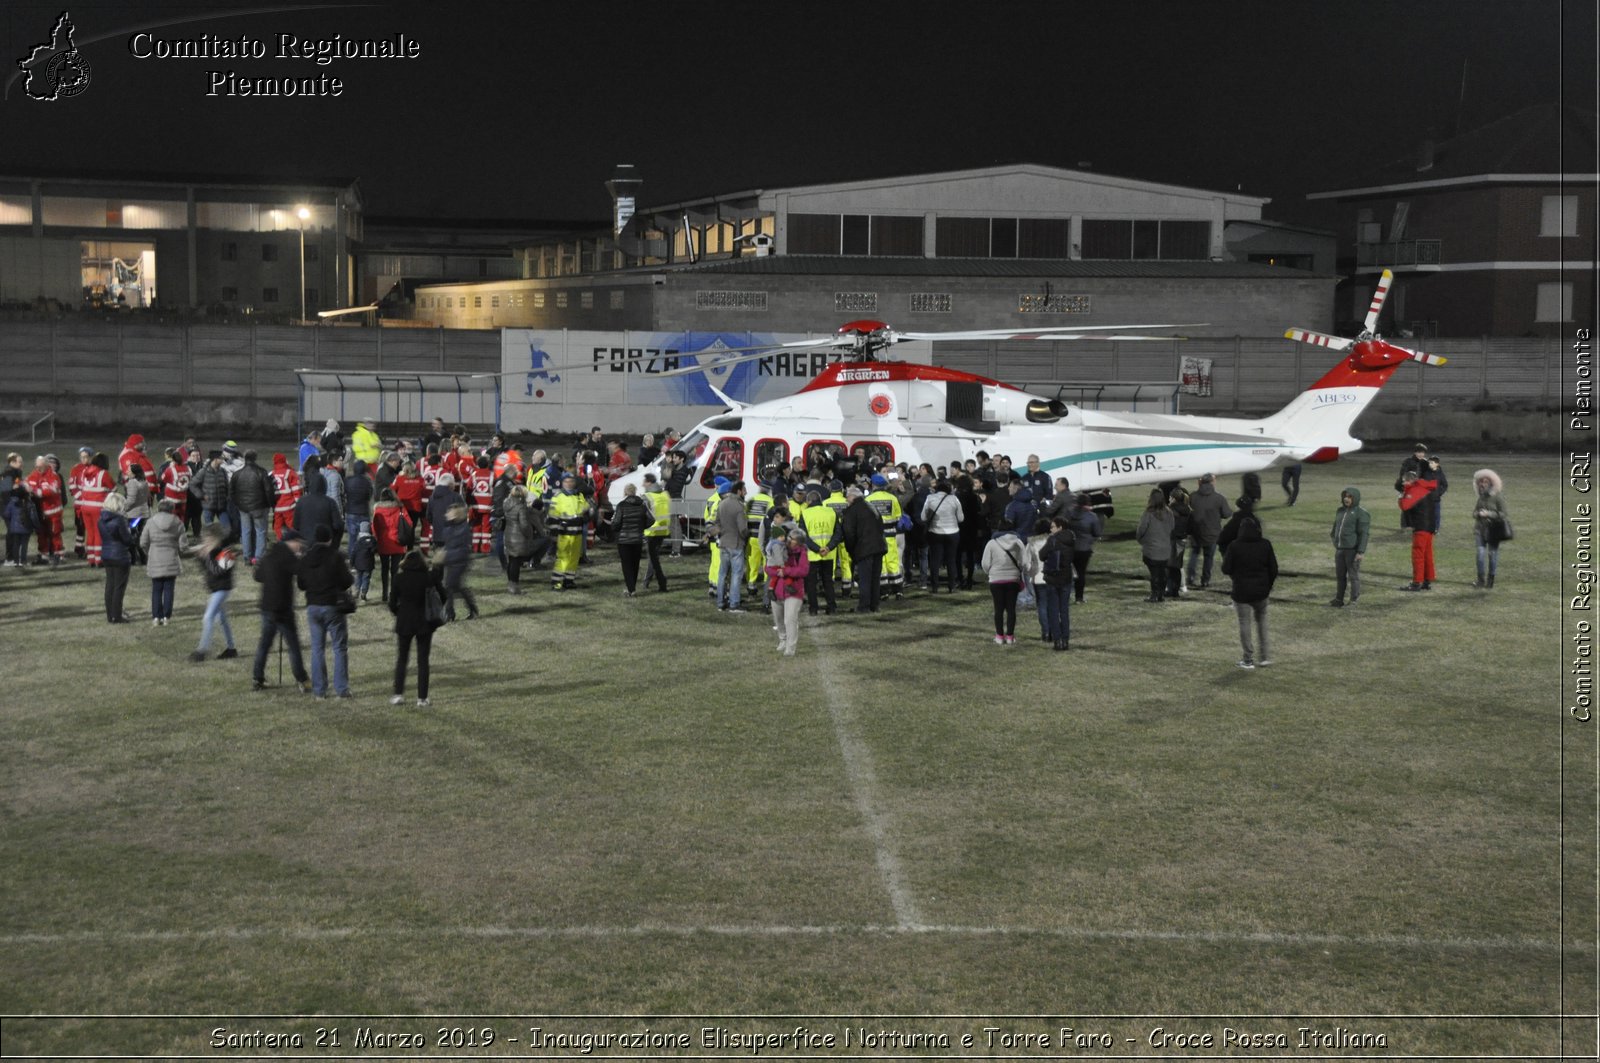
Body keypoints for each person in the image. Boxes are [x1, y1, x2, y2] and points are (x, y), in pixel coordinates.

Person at [297, 524, 356, 699]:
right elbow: (347, 581)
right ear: (329, 539)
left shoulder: (306, 558)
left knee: (317, 649)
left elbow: (301, 584)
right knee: (339, 647)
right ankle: (341, 688)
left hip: (313, 606)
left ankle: (319, 690)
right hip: (332, 605)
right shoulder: (335, 556)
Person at [252, 528, 311, 693]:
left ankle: (257, 677)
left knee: (264, 644)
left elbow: (257, 576)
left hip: (266, 606)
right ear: (291, 542)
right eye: (299, 543)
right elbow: (301, 571)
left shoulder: (269, 554)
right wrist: (301, 558)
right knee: (293, 645)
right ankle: (302, 679)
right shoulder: (288, 556)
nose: (300, 547)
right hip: (282, 608)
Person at [389, 548, 445, 707]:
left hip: (404, 621)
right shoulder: (427, 578)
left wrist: (399, 613)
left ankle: (398, 694)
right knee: (423, 661)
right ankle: (422, 698)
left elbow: (392, 603)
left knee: (402, 659)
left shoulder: (399, 578)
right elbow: (443, 594)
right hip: (424, 623)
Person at [1222, 517, 1278, 669]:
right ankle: (1264, 657)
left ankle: (1248, 659)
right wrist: (1268, 586)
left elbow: (1225, 568)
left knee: (1245, 624)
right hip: (1261, 592)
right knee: (1262, 623)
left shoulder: (1235, 546)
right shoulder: (1265, 544)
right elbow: (1274, 568)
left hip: (1241, 592)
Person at [980, 522, 1035, 645]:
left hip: (996, 579)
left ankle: (999, 636)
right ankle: (1010, 636)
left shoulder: (992, 543)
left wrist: (991, 572)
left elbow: (985, 563)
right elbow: (1025, 563)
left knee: (998, 609)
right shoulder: (1018, 542)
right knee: (1011, 609)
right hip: (1013, 579)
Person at [191, 524, 241, 661]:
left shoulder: (228, 553)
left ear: (217, 539)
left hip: (222, 588)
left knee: (208, 617)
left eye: (208, 540)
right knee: (222, 619)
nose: (205, 543)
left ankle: (202, 650)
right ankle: (231, 649)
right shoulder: (213, 552)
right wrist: (201, 558)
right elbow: (207, 570)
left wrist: (207, 556)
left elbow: (217, 571)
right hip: (215, 588)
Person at [139, 498, 188, 626]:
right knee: (169, 589)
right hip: (171, 558)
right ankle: (166, 616)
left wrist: (148, 552)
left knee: (156, 589)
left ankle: (156, 616)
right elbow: (183, 545)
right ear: (172, 509)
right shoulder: (178, 523)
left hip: (155, 557)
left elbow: (143, 542)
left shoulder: (150, 522)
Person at [840, 485, 887, 614]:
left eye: (847, 497)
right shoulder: (872, 507)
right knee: (875, 578)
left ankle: (864, 606)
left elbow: (849, 533)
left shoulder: (851, 511)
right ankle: (874, 605)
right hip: (879, 547)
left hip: (864, 548)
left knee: (865, 579)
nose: (845, 500)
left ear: (852, 497)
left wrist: (852, 550)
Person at [767, 525, 811, 656]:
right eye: (789, 537)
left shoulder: (802, 553)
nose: (788, 540)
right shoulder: (779, 547)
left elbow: (803, 570)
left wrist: (785, 571)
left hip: (794, 591)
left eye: (792, 539)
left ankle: (790, 648)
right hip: (777, 589)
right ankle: (782, 640)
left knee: (790, 619)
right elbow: (767, 567)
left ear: (799, 542)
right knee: (778, 619)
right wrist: (777, 571)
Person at [230, 450, 275, 564]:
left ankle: (247, 556)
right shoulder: (261, 472)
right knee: (260, 531)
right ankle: (259, 557)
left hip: (243, 507)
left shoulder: (237, 474)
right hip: (259, 507)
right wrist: (270, 504)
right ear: (255, 458)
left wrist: (238, 504)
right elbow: (268, 490)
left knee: (246, 531)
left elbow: (232, 492)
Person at [799, 489, 840, 616]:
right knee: (828, 581)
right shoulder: (831, 512)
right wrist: (828, 547)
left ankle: (813, 608)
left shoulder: (805, 514)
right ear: (820, 501)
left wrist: (817, 549)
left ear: (809, 501)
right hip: (829, 553)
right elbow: (838, 533)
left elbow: (803, 536)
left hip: (812, 555)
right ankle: (832, 607)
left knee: (811, 583)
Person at [1186, 473, 1231, 589]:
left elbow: (1187, 513)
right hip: (1212, 533)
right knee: (1208, 557)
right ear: (1212, 482)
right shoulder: (1219, 498)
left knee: (1194, 554)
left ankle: (1190, 577)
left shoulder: (1192, 496)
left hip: (1195, 532)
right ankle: (1205, 580)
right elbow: (1227, 514)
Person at [1398, 469, 1440, 591]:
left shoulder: (1415, 490)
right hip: (1429, 526)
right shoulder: (1424, 488)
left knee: (1418, 554)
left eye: (1404, 481)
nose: (1403, 484)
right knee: (1427, 554)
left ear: (1410, 480)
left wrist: (1401, 496)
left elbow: (1404, 505)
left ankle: (1417, 582)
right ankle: (1427, 580)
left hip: (1421, 527)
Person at [547, 472, 589, 591]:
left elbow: (585, 509)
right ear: (562, 482)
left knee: (574, 558)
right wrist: (554, 534)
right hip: (564, 533)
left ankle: (569, 580)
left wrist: (587, 514)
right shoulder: (558, 497)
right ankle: (556, 582)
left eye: (571, 481)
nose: (569, 484)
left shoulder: (578, 495)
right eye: (566, 481)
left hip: (577, 532)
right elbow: (553, 516)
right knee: (563, 558)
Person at [501, 486, 547, 594]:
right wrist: (529, 535)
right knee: (516, 562)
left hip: (508, 535)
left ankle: (510, 583)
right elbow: (524, 525)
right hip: (518, 537)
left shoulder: (507, 504)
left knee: (512, 561)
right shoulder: (521, 507)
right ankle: (514, 586)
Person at [1330, 486, 1370, 607]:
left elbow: (1364, 534)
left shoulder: (1362, 513)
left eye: (1349, 497)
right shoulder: (1340, 511)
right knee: (1340, 576)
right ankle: (1339, 599)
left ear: (1355, 498)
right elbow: (1334, 530)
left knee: (1353, 576)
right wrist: (1336, 543)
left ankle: (1353, 600)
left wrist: (1360, 551)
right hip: (1340, 550)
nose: (1346, 499)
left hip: (1352, 551)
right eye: (1345, 496)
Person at [610, 482, 652, 597]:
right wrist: (641, 526)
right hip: (637, 539)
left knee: (626, 565)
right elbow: (651, 519)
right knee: (635, 564)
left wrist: (613, 525)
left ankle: (631, 589)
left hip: (624, 540)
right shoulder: (642, 505)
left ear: (625, 492)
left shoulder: (621, 505)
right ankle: (632, 587)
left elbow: (617, 523)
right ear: (635, 492)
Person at [438, 502, 479, 619]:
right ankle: (472, 609)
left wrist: (445, 555)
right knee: (456, 586)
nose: (446, 514)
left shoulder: (463, 528)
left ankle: (450, 613)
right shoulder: (450, 526)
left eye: (449, 512)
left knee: (449, 586)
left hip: (459, 561)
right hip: (451, 560)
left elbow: (457, 544)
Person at [370, 487, 411, 603]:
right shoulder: (400, 508)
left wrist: (377, 538)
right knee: (395, 570)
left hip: (384, 542)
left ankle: (384, 594)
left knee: (384, 569)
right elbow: (409, 523)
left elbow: (374, 527)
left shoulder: (378, 509)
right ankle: (394, 593)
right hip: (398, 543)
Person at [921, 478, 962, 592]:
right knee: (951, 560)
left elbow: (923, 517)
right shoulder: (954, 499)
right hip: (953, 532)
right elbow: (961, 518)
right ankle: (952, 586)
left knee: (935, 560)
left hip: (935, 532)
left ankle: (935, 587)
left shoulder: (930, 498)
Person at [99, 492, 135, 622]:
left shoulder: (101, 519)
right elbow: (127, 540)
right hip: (120, 555)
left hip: (106, 554)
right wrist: (131, 533)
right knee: (119, 587)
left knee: (110, 585)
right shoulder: (120, 520)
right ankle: (117, 615)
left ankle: (110, 615)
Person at [1396, 444, 1447, 533]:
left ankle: (1418, 526)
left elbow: (1433, 473)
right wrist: (1403, 487)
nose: (1421, 454)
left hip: (1419, 490)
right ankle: (1405, 526)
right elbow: (1403, 475)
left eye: (1423, 452)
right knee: (1407, 508)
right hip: (1409, 488)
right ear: (1415, 452)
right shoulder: (1408, 462)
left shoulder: (1426, 463)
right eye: (1419, 452)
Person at [1135, 488, 1174, 603]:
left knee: (1155, 573)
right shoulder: (1169, 513)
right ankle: (1160, 594)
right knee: (1161, 572)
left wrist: (1142, 540)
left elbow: (1141, 530)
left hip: (1151, 549)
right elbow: (1172, 528)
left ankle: (1155, 595)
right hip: (1165, 549)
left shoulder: (1148, 514)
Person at [716, 480, 750, 612]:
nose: (746, 492)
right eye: (744, 490)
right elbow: (742, 529)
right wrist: (747, 535)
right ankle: (734, 604)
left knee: (722, 574)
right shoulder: (739, 507)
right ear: (739, 491)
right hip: (736, 544)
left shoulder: (722, 503)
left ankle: (720, 602)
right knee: (736, 574)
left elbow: (717, 523)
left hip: (723, 543)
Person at [1472, 469, 1509, 589]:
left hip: (1493, 531)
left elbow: (1503, 514)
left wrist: (1489, 514)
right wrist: (1477, 513)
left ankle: (1490, 580)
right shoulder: (1480, 497)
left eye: (1486, 482)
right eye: (1481, 482)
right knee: (1480, 554)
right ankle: (1480, 580)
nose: (1483, 484)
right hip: (1480, 530)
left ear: (1491, 484)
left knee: (1492, 554)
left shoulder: (1498, 497)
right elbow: (1474, 512)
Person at [26, 454, 64, 565]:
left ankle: (59, 555)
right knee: (41, 534)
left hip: (53, 511)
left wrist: (35, 491)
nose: (38, 469)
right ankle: (44, 555)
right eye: (37, 466)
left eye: (40, 467)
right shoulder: (35, 474)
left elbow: (51, 491)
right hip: (40, 511)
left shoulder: (53, 476)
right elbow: (27, 483)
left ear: (46, 465)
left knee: (54, 533)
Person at [641, 473, 670, 593]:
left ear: (649, 482)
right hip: (664, 529)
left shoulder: (646, 496)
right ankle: (647, 581)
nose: (642, 484)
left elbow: (642, 515)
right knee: (654, 557)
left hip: (651, 531)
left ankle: (662, 581)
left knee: (654, 559)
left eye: (644, 482)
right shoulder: (665, 494)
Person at [1166, 485, 1193, 599]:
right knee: (1177, 566)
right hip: (1182, 539)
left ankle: (1169, 588)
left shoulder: (1171, 510)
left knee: (1168, 566)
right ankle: (1176, 589)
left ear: (1173, 498)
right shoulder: (1188, 510)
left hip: (1172, 539)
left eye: (1170, 497)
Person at [269, 453, 302, 540]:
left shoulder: (271, 473)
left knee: (277, 527)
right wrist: (298, 502)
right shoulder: (290, 472)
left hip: (277, 506)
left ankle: (281, 542)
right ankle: (294, 542)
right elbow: (296, 489)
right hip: (289, 505)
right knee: (292, 526)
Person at [351, 520, 377, 602]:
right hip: (368, 565)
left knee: (358, 578)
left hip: (358, 565)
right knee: (366, 579)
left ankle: (356, 592)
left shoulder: (358, 542)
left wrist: (351, 563)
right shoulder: (373, 540)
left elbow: (353, 553)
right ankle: (363, 593)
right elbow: (375, 550)